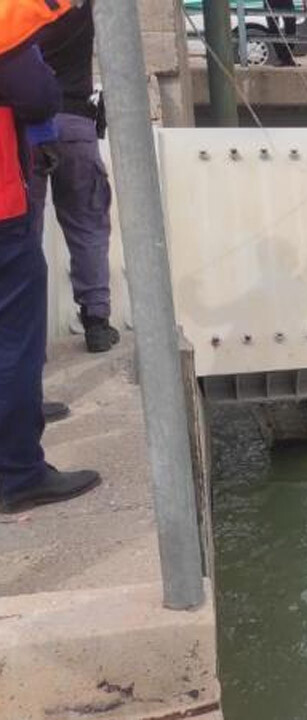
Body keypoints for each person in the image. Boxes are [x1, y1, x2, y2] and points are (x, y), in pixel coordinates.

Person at [0, 39, 102, 514]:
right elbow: (38, 93)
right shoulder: (10, 23)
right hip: (4, 202)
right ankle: (20, 470)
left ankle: (22, 419)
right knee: (17, 334)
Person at [30, 0, 120, 354]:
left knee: (26, 235)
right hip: (77, 124)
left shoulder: (19, 13)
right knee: (88, 225)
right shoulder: (81, 7)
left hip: (28, 128)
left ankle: (29, 336)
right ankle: (96, 321)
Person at [265, 0, 299, 67]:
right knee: (273, 29)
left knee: (291, 27)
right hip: (271, 2)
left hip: (286, 2)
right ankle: (282, 57)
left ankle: (286, 57)